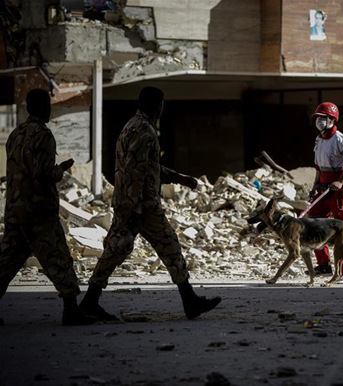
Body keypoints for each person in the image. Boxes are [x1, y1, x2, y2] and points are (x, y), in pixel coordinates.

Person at [80, 87, 221, 321]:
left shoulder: (131, 126)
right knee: (162, 247)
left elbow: (148, 169)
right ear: (158, 105)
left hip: (132, 203)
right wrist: (135, 208)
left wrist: (179, 179)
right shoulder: (145, 132)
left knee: (124, 250)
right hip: (141, 206)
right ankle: (189, 301)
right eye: (162, 104)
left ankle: (90, 301)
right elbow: (137, 172)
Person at [0, 89, 95, 326]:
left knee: (8, 260)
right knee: (58, 257)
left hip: (14, 208)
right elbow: (42, 173)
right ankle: (71, 309)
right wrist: (60, 169)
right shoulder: (43, 135)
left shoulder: (15, 134)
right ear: (43, 107)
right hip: (38, 211)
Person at [308, 102, 343, 283]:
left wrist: (339, 181)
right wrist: (315, 187)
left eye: (322, 119)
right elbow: (318, 167)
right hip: (323, 186)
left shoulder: (340, 139)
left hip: (339, 187)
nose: (319, 122)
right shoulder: (319, 139)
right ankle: (323, 265)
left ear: (332, 119)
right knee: (313, 222)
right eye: (317, 119)